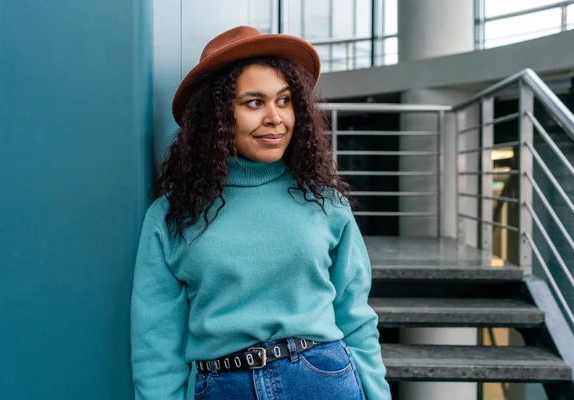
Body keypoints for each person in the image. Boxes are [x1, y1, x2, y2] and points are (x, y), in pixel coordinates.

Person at [130, 26, 391, 400]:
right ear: (217, 116)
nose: (275, 118)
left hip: (322, 381)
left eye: (284, 101)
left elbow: (355, 317)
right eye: (254, 103)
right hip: (221, 386)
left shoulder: (325, 203)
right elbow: (155, 342)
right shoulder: (172, 215)